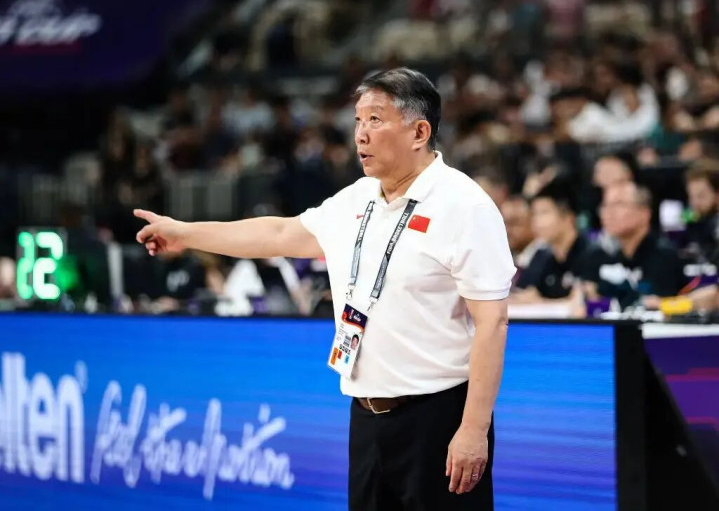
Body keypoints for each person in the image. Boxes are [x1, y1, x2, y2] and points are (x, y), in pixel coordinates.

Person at [135, 67, 516, 510]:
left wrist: (473, 429)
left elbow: (493, 322)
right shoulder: (358, 197)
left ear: (419, 132)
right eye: (357, 120)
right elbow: (279, 233)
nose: (360, 134)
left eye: (375, 119)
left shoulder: (465, 206)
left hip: (438, 417)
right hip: (366, 417)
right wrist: (185, 233)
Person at [581, 181, 687, 308]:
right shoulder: (605, 258)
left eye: (619, 204)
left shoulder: (664, 257)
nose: (609, 213)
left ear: (644, 213)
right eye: (605, 205)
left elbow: (662, 305)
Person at [512, 178, 590, 303]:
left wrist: (541, 302)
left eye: (544, 213)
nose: (537, 222)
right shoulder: (541, 257)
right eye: (534, 214)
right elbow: (520, 295)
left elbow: (587, 303)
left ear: (568, 217)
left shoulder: (592, 256)